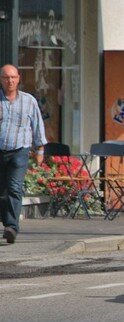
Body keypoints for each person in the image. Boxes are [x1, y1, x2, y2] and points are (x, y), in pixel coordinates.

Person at [0, 64, 47, 244]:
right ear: (1, 80)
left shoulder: (29, 101)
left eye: (13, 77)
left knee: (14, 188)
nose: (10, 81)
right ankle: (7, 223)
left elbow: (37, 124)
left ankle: (11, 226)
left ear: (18, 79)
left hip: (20, 150)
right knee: (2, 192)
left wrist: (40, 149)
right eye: (6, 78)